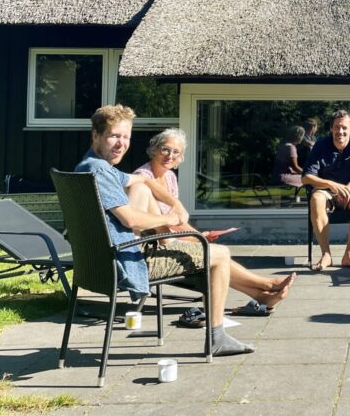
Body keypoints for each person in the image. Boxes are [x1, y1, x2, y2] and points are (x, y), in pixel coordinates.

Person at [74, 105, 254, 356]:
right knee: (220, 254)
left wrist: (175, 203)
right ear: (96, 135)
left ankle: (170, 243)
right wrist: (170, 217)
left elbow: (143, 180)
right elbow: (129, 220)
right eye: (114, 136)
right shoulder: (100, 171)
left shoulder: (88, 167)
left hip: (99, 262)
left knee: (143, 190)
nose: (121, 144)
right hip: (126, 263)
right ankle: (217, 337)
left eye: (126, 137)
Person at [128, 127, 296, 312]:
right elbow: (159, 225)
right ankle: (267, 284)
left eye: (176, 152)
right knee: (216, 254)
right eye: (165, 149)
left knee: (211, 250)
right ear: (154, 149)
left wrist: (199, 235)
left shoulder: (169, 177)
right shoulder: (142, 178)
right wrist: (195, 237)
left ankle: (260, 295)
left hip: (169, 236)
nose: (170, 155)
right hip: (153, 244)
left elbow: (176, 221)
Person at [302, 110, 350, 271]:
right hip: (326, 192)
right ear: (331, 129)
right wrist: (331, 185)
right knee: (316, 199)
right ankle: (326, 255)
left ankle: (349, 255)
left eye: (344, 127)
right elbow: (306, 178)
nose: (340, 132)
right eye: (336, 127)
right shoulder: (321, 145)